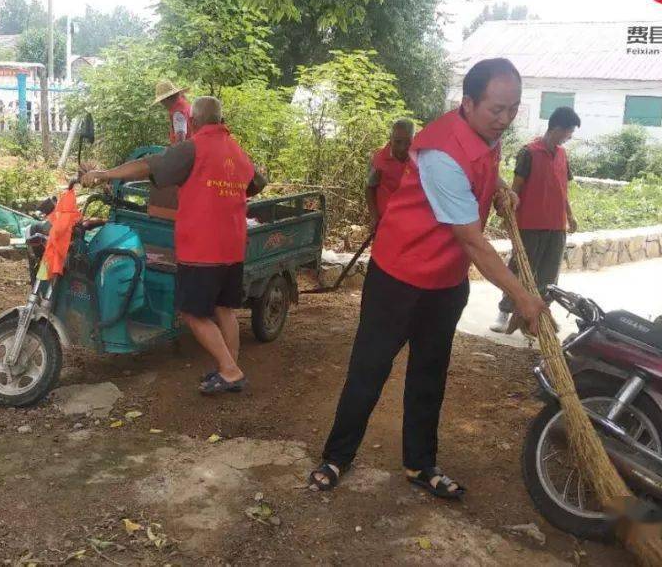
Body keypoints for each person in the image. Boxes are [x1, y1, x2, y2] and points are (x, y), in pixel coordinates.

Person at [306, 58, 548, 500]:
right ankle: (337, 456)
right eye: (496, 109)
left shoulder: (484, 134)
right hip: (399, 277)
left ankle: (420, 464)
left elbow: (484, 170)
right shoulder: (440, 152)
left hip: (445, 282)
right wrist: (522, 296)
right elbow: (472, 241)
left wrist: (498, 190)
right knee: (370, 369)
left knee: (429, 374)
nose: (505, 119)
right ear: (468, 103)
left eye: (513, 109)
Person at [82, 97, 266, 395]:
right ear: (220, 120)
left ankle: (230, 372)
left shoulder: (194, 147)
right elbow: (257, 183)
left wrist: (104, 174)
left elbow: (146, 166)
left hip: (203, 247)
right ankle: (229, 367)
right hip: (232, 247)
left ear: (193, 122)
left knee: (193, 313)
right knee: (224, 308)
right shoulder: (236, 151)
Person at [491, 106, 581, 333]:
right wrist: (508, 215)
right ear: (558, 128)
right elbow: (516, 188)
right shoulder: (529, 152)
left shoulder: (562, 155)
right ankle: (505, 310)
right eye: (569, 132)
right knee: (520, 270)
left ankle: (536, 319)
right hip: (529, 224)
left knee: (549, 275)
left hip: (555, 225)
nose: (569, 137)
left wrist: (569, 215)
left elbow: (563, 189)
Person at [365, 119, 414, 230]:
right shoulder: (379, 159)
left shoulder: (419, 158)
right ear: (390, 139)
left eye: (408, 143)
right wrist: (374, 217)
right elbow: (369, 188)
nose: (402, 148)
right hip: (385, 220)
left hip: (410, 221)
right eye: (398, 141)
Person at [152, 80, 193, 144]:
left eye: (161, 101)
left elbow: (180, 140)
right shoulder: (186, 106)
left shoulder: (178, 113)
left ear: (166, 99)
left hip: (187, 152)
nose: (161, 103)